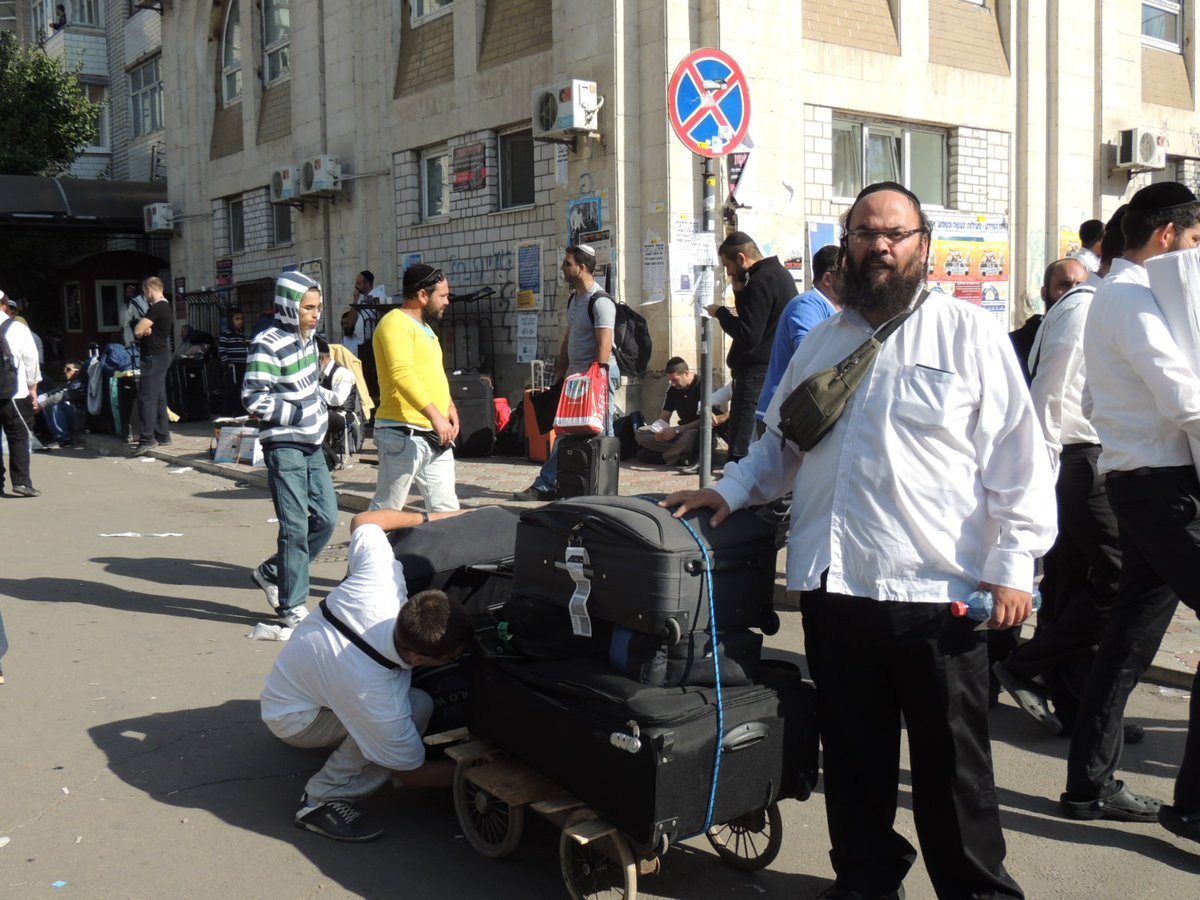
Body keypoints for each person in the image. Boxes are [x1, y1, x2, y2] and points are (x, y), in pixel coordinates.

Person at [664, 182, 1054, 899]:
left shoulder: (969, 338)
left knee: (953, 773)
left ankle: (977, 892)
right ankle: (867, 884)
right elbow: (778, 445)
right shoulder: (821, 340)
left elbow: (1019, 462)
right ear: (846, 246)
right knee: (855, 760)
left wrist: (1014, 566)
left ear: (922, 247)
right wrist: (727, 490)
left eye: (895, 234)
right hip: (836, 588)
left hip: (939, 595)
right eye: (866, 233)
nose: (880, 245)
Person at [1060, 182, 1200, 843]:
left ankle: (1088, 785)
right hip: (1160, 486)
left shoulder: (1117, 294)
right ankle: (1194, 805)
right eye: (1196, 238)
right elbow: (1183, 398)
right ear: (1167, 235)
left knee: (1127, 641)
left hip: (1141, 478)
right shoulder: (1131, 295)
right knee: (1124, 639)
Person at [260, 506, 475, 842]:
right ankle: (322, 798)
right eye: (450, 657)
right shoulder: (375, 697)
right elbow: (415, 776)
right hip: (294, 718)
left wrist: (434, 517)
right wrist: (479, 775)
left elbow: (365, 520)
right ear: (418, 655)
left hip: (298, 681)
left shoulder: (382, 583)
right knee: (416, 705)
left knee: (396, 713)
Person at [993, 260, 1129, 743]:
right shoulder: (1082, 308)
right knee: (1120, 580)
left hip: (1086, 460)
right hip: (1075, 462)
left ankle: (1082, 709)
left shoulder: (1106, 304)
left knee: (1074, 585)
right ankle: (1026, 665)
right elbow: (1048, 397)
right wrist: (1042, 478)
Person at [243, 272, 338, 629]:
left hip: (313, 443)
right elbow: (253, 397)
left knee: (327, 519)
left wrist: (329, 399)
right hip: (284, 444)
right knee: (295, 525)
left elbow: (309, 387)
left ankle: (271, 572)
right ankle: (292, 605)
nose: (315, 315)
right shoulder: (267, 343)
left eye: (318, 307)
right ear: (288, 306)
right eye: (308, 308)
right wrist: (295, 413)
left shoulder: (310, 341)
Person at [514, 244, 620, 501]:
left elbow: (605, 343)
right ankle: (555, 483)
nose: (563, 268)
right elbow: (568, 339)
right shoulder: (575, 299)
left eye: (567, 263)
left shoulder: (601, 301)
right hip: (576, 378)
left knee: (601, 431)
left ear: (582, 268)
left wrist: (596, 380)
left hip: (595, 378)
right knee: (566, 429)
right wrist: (561, 373)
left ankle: (600, 486)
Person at [370, 264, 460, 513]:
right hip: (402, 433)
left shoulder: (427, 329)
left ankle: (443, 554)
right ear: (422, 295)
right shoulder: (395, 323)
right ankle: (367, 551)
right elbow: (402, 375)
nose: (447, 302)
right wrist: (435, 416)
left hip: (434, 435)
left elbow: (432, 374)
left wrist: (449, 406)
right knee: (387, 510)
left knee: (446, 510)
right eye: (442, 296)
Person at [708, 231, 796, 462]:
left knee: (742, 441)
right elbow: (755, 318)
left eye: (728, 266)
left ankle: (736, 492)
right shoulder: (778, 274)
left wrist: (721, 313)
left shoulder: (760, 279)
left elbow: (748, 333)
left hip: (756, 372)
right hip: (771, 368)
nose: (728, 273)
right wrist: (739, 292)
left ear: (741, 258)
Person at [756, 243, 841, 422]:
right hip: (783, 417)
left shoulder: (835, 308)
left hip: (802, 414)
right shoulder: (807, 305)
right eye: (849, 275)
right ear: (828, 279)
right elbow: (810, 356)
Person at [634, 357, 728, 467]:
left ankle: (667, 457)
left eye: (675, 380)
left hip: (696, 433)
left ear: (686, 373)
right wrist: (659, 430)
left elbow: (707, 420)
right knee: (641, 433)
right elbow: (665, 415)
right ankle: (678, 456)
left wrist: (677, 430)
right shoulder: (673, 389)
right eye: (670, 381)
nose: (673, 384)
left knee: (689, 436)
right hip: (678, 434)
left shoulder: (703, 386)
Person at [1, 290, 42, 497]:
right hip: (15, 393)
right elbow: (31, 360)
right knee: (19, 436)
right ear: (5, 305)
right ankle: (22, 482)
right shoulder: (18, 328)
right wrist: (33, 389)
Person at [129, 277, 173, 456]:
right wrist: (145, 327)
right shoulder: (166, 306)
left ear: (149, 290)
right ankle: (163, 435)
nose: (145, 295)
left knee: (146, 397)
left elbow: (138, 330)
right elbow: (143, 328)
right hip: (161, 355)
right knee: (159, 397)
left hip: (153, 357)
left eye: (144, 292)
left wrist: (142, 328)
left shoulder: (156, 308)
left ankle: (147, 439)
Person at [316, 335, 360, 470]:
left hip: (342, 414)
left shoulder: (343, 374)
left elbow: (338, 399)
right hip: (326, 411)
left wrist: (316, 388)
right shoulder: (321, 373)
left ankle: (332, 460)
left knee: (313, 419)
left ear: (321, 358)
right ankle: (324, 458)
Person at [37, 360, 86, 449]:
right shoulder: (70, 383)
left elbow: (61, 396)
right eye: (64, 368)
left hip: (81, 416)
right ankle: (49, 434)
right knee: (47, 400)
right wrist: (42, 397)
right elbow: (56, 391)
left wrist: (41, 404)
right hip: (74, 415)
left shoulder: (79, 384)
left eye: (68, 369)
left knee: (55, 405)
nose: (64, 371)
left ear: (77, 372)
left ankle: (64, 440)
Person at [218, 306, 250, 416]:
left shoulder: (241, 335)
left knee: (241, 389)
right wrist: (228, 363)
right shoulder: (226, 334)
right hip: (233, 367)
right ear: (231, 321)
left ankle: (239, 412)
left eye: (241, 319)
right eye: (237, 319)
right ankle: (228, 413)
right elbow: (222, 349)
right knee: (232, 391)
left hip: (242, 366)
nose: (240, 321)